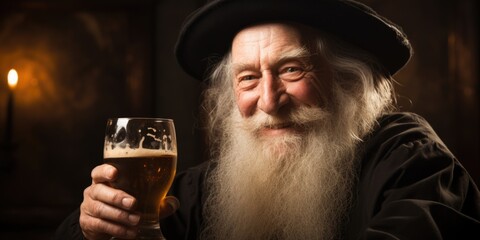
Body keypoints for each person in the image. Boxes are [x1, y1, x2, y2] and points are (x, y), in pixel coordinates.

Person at [54, 0, 480, 239]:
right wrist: (91, 226)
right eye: (248, 78)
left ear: (346, 81)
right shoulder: (207, 188)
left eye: (293, 69)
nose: (270, 101)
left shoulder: (410, 160)